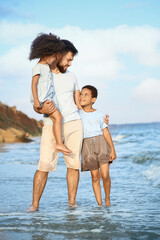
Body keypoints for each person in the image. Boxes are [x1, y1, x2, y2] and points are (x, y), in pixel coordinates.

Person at [28, 39, 109, 212]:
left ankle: (72, 203)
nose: (70, 63)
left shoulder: (72, 76)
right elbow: (36, 105)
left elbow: (81, 104)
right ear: (59, 54)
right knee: (44, 165)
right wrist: (42, 108)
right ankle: (34, 206)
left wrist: (99, 117)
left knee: (73, 165)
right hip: (51, 124)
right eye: (69, 59)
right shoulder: (44, 73)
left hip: (74, 124)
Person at [29, 33, 72, 155]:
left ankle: (59, 143)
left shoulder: (46, 67)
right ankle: (59, 143)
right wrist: (37, 101)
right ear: (47, 53)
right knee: (58, 117)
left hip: (45, 99)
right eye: (55, 56)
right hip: (42, 100)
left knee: (55, 118)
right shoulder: (38, 67)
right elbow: (33, 84)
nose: (56, 60)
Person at [79, 85, 116, 207]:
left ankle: (107, 199)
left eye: (86, 95)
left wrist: (113, 150)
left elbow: (105, 131)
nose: (82, 97)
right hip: (87, 146)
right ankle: (99, 204)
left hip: (101, 144)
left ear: (93, 99)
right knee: (95, 177)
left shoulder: (100, 114)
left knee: (105, 175)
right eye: (81, 94)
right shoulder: (77, 113)